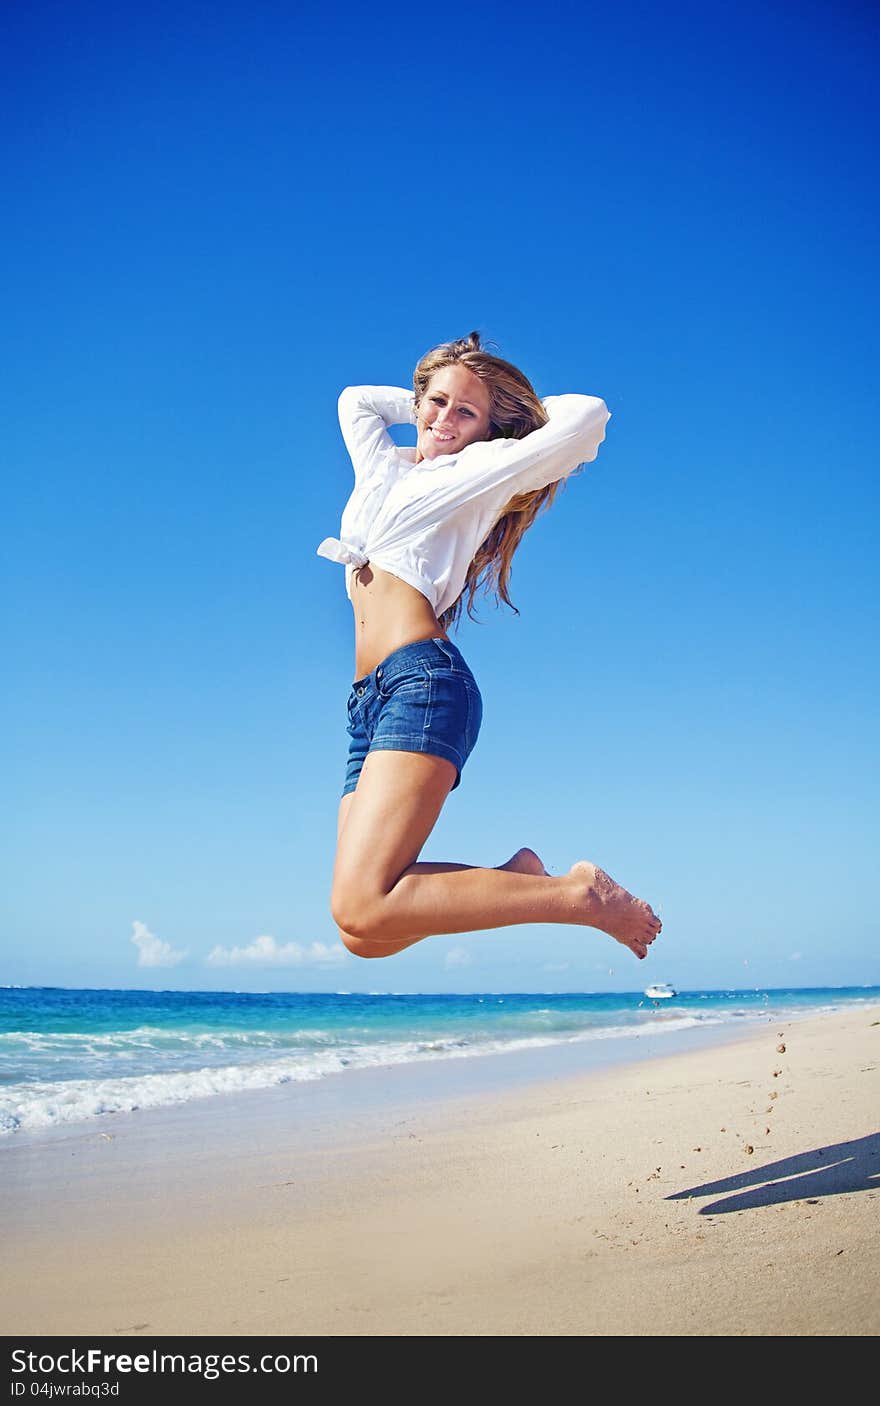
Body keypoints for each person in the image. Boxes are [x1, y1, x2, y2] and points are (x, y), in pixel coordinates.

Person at [317, 332, 662, 962]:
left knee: (363, 903)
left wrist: (507, 423)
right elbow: (356, 401)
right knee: (363, 935)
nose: (444, 419)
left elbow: (588, 415)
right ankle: (522, 877)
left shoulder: (479, 471)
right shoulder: (383, 466)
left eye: (464, 412)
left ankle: (576, 896)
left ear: (487, 430)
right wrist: (434, 392)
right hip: (365, 702)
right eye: (436, 403)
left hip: (421, 684)